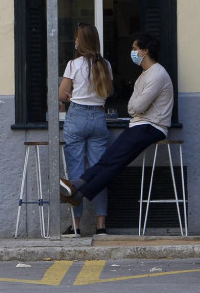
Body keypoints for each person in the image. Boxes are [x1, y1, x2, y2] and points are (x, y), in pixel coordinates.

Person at [60, 31, 174, 208]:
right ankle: (77, 190)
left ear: (145, 50)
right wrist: (134, 109)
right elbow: (133, 106)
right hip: (141, 125)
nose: (132, 52)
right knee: (109, 160)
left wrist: (134, 109)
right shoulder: (146, 74)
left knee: (113, 162)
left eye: (135, 48)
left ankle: (76, 190)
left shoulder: (157, 75)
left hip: (150, 127)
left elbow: (136, 107)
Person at [58, 23, 113, 236]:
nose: (75, 41)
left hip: (77, 116)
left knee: (76, 172)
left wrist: (70, 95)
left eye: (76, 38)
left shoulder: (74, 64)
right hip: (99, 116)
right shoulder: (105, 64)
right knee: (99, 171)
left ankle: (76, 225)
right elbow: (107, 91)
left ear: (80, 42)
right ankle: (101, 225)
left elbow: (63, 94)